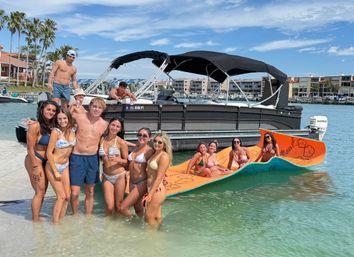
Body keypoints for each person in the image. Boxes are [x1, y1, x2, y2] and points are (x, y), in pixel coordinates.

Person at [69, 97, 108, 215]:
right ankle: (75, 215)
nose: (96, 109)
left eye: (99, 108)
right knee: (75, 192)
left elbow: (112, 140)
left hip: (92, 159)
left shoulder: (105, 124)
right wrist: (72, 104)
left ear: (102, 110)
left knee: (90, 191)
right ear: (89, 107)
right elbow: (62, 119)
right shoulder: (79, 118)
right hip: (77, 157)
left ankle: (88, 217)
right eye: (94, 106)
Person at [24, 100, 59, 222]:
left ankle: (37, 216)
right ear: (42, 110)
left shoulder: (53, 126)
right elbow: (29, 148)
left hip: (47, 161)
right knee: (40, 191)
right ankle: (35, 221)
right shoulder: (35, 126)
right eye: (48, 109)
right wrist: (35, 167)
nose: (51, 112)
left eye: (54, 111)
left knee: (42, 191)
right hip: (35, 159)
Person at [45, 108, 76, 223]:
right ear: (56, 120)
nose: (62, 121)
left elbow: (81, 112)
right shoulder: (55, 132)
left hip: (65, 166)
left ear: (68, 118)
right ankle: (55, 223)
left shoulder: (73, 129)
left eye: (64, 118)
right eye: (59, 118)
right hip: (53, 166)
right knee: (61, 196)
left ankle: (61, 223)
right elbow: (49, 152)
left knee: (67, 196)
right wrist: (55, 171)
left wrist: (77, 103)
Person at [120, 127, 154, 217]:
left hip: (141, 182)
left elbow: (156, 164)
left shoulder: (150, 151)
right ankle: (141, 226)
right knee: (137, 208)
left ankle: (133, 224)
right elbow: (121, 141)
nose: (141, 137)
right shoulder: (135, 147)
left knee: (123, 208)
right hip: (131, 182)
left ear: (149, 138)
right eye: (139, 135)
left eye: (144, 136)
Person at [99, 118, 128, 216]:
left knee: (118, 206)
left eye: (117, 126)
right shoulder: (102, 139)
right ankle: (108, 228)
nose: (114, 128)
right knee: (109, 206)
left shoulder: (121, 142)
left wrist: (118, 160)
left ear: (120, 129)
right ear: (109, 125)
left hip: (119, 176)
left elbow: (127, 161)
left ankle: (122, 226)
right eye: (113, 125)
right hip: (106, 176)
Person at [143, 132, 172, 229]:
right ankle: (160, 234)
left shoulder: (163, 156)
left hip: (156, 190)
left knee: (148, 218)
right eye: (155, 141)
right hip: (153, 188)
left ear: (164, 145)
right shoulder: (155, 153)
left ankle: (153, 240)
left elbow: (159, 177)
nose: (156, 144)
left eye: (160, 142)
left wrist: (150, 195)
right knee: (156, 217)